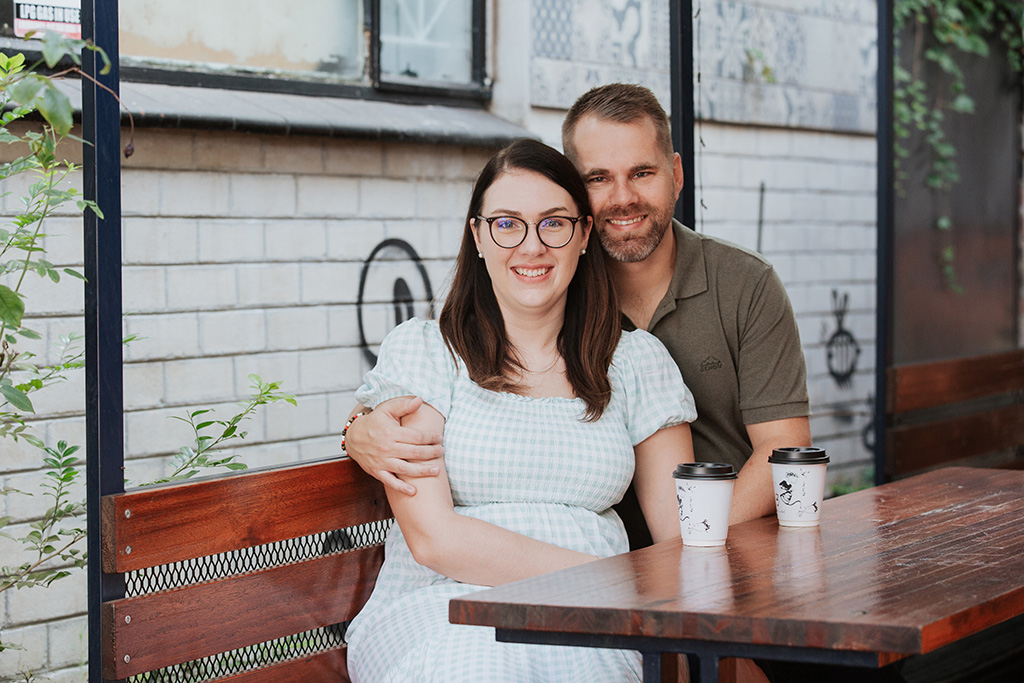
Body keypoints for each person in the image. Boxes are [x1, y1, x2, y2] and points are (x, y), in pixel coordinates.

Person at [344, 83, 811, 536]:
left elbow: (782, 443)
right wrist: (358, 429)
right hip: (614, 556)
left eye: (642, 173)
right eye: (598, 178)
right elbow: (419, 379)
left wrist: (690, 548)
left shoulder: (742, 284)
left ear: (676, 174)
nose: (623, 197)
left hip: (701, 540)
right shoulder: (547, 272)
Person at [344, 138, 697, 683]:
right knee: (479, 663)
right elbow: (435, 538)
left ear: (583, 236)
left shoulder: (635, 362)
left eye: (553, 224)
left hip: (589, 621)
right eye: (507, 224)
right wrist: (614, 579)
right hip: (441, 607)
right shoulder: (426, 352)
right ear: (478, 236)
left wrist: (624, 593)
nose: (531, 247)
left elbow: (680, 535)